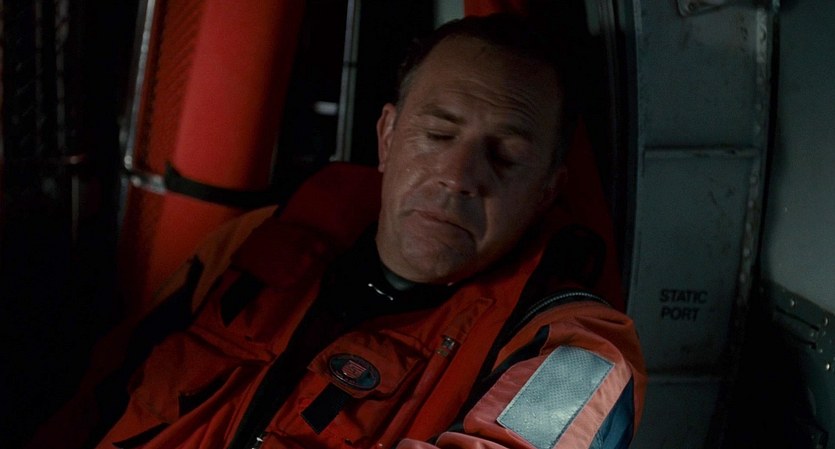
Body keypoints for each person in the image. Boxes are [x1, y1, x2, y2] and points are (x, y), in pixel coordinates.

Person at [29, 12, 645, 449]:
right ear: (387, 137)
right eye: (437, 134)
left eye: (505, 156)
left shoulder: (578, 353)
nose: (459, 176)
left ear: (547, 190)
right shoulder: (253, 247)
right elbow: (96, 402)